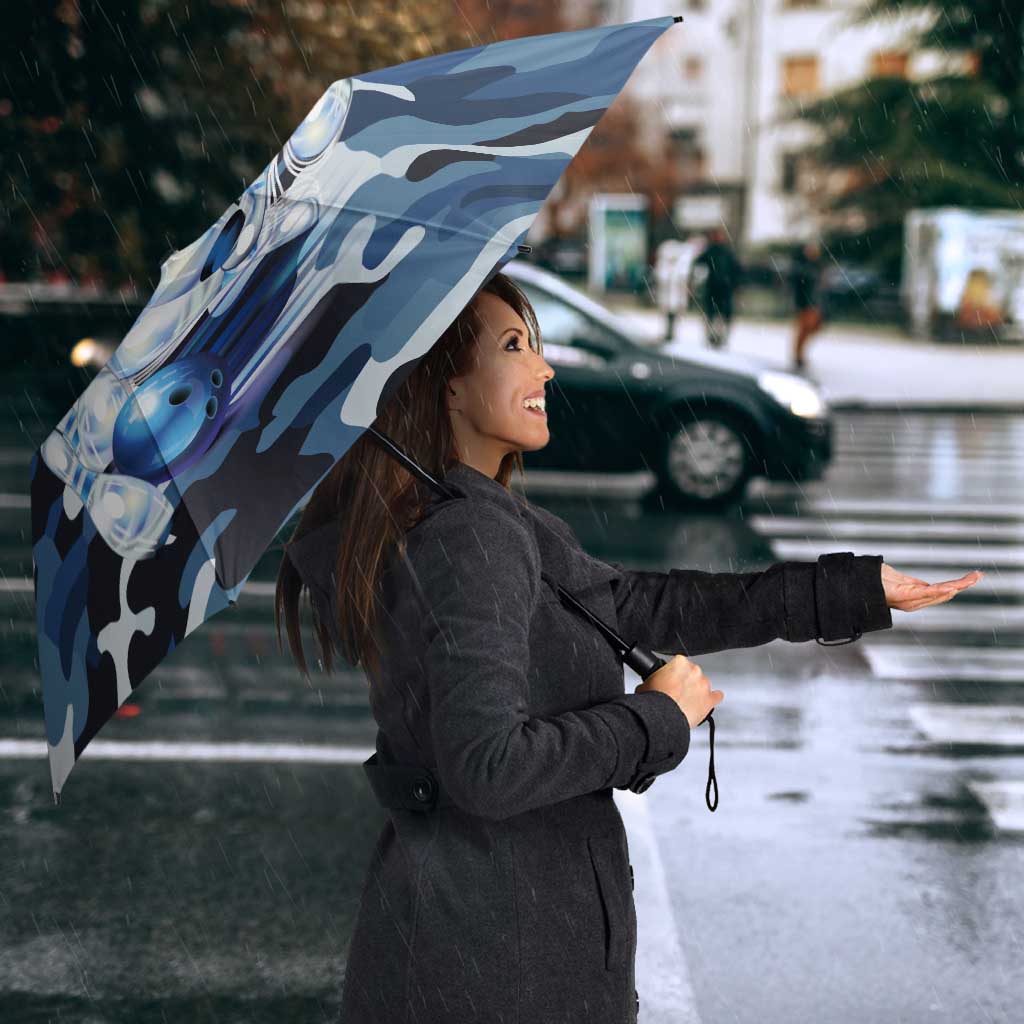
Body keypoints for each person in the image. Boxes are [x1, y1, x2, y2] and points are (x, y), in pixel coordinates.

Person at [275, 270, 979, 1024]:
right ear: (446, 384)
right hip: (500, 962)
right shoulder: (471, 536)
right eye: (513, 347)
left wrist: (849, 590)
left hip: (475, 941)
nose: (544, 368)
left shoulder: (473, 519)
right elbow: (487, 768)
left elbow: (639, 605)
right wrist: (656, 719)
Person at [692, 226, 742, 349]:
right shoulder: (714, 251)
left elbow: (736, 270)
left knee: (719, 315)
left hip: (722, 289)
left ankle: (719, 337)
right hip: (716, 288)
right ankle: (713, 337)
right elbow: (698, 263)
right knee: (714, 314)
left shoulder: (724, 252)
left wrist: (735, 284)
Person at [790, 239, 826, 370]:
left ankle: (799, 354)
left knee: (812, 327)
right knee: (804, 329)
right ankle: (798, 355)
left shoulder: (816, 266)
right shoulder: (802, 267)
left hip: (814, 303)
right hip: (805, 303)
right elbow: (799, 286)